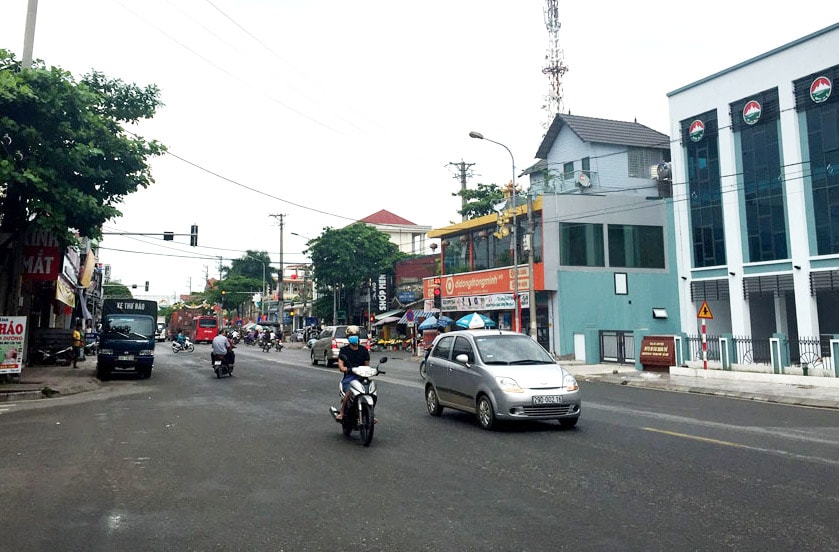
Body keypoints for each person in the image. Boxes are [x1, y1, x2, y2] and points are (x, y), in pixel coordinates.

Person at [335, 325, 370, 421]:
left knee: (371, 391)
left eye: (355, 335)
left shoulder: (364, 350)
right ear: (348, 337)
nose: (354, 337)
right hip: (349, 378)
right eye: (351, 335)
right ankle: (342, 412)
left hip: (362, 377)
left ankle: (370, 414)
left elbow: (367, 366)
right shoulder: (344, 351)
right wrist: (349, 369)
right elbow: (341, 367)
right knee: (349, 392)